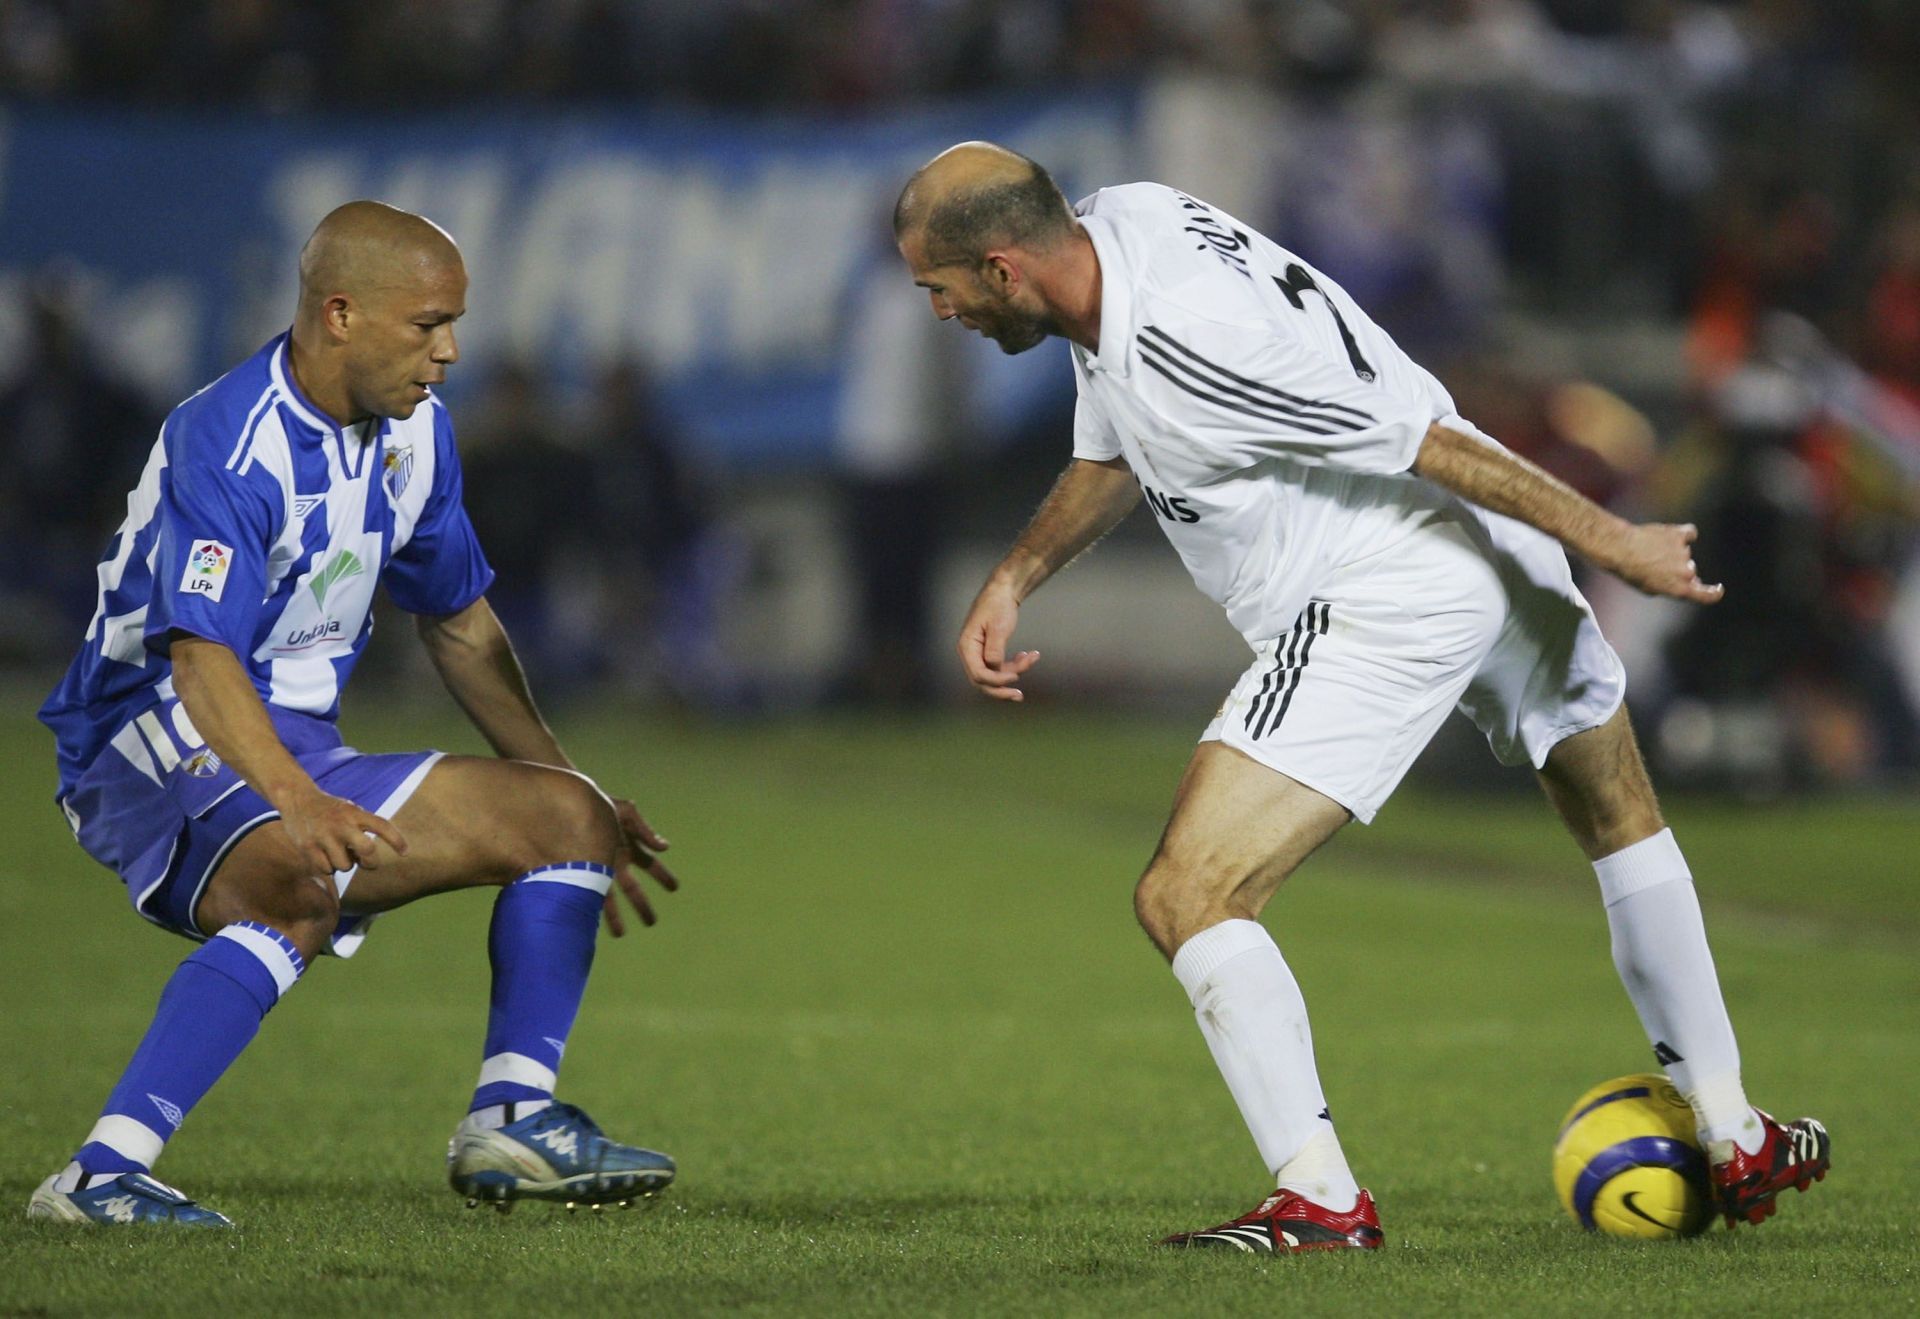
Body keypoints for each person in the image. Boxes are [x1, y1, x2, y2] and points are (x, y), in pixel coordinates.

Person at [893, 143, 1830, 1252]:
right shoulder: (1125, 223)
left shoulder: (1189, 340)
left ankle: (1321, 1197)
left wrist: (1614, 536)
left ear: (1003, 268)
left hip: (1386, 589)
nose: (940, 311)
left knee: (1189, 894)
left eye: (938, 287)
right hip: (1489, 556)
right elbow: (1120, 445)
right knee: (1616, 808)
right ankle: (1735, 1127)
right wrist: (1015, 576)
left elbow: (1424, 442)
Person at [30, 201, 681, 1227]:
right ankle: (102, 1173)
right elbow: (198, 658)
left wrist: (578, 789)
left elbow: (460, 629)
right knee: (295, 883)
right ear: (340, 314)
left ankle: (513, 1116)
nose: (450, 351)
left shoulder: (415, 436)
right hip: (147, 730)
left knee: (566, 823)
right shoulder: (230, 441)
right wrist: (294, 801)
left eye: (453, 324)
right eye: (427, 324)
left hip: (292, 743)